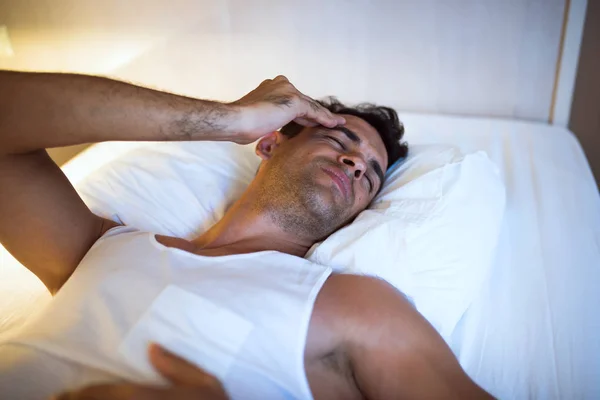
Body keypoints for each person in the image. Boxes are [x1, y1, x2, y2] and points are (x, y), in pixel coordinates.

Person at [0, 71, 493, 400]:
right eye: (339, 140)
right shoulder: (103, 245)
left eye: (370, 174)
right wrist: (229, 119)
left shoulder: (358, 306)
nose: (355, 163)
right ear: (270, 142)